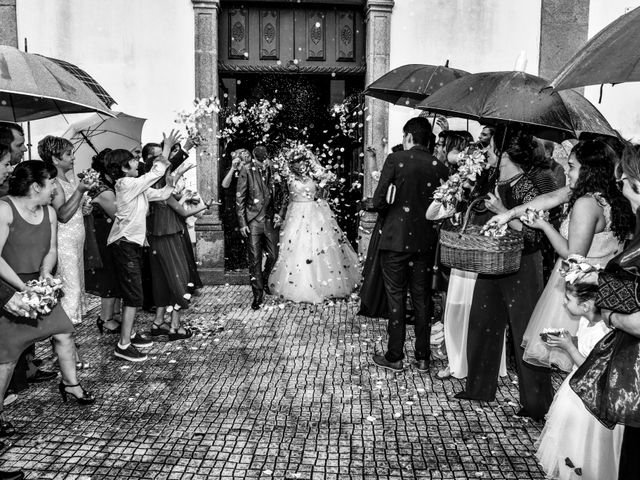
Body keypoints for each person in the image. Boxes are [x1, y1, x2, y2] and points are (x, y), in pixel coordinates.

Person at [456, 128, 553, 421]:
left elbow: (535, 238)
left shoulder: (529, 186)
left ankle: (536, 404)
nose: (486, 152)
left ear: (505, 155)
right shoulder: (490, 179)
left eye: (491, 148)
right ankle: (478, 387)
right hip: (492, 259)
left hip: (523, 265)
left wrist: (503, 211)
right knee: (482, 321)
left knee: (525, 330)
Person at [510, 141, 631, 372]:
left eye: (572, 166)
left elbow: (573, 255)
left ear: (588, 169)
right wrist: (509, 214)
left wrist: (544, 225)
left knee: (576, 354)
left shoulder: (586, 203)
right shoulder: (611, 196)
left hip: (581, 283)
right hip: (603, 280)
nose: (567, 171)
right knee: (593, 352)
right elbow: (550, 197)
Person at [0, 161, 96, 415]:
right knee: (7, 357)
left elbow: (51, 248)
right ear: (35, 185)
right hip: (9, 289)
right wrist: (23, 287)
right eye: (51, 182)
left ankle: (70, 384)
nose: (55, 187)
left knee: (64, 332)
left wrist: (44, 273)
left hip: (39, 284)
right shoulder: (4, 209)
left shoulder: (49, 213)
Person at [568, 144, 640, 480]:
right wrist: (601, 277)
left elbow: (572, 253)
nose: (621, 185)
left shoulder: (586, 203)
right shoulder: (624, 211)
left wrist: (609, 314)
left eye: (625, 180)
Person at [370, 117, 449, 373]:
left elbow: (379, 200)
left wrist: (391, 206)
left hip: (395, 239)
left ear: (407, 137)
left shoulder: (395, 160)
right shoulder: (440, 167)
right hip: (425, 242)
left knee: (396, 297)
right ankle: (423, 357)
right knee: (422, 298)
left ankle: (395, 355)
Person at [426, 138, 508, 380]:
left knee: (482, 315)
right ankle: (457, 361)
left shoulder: (493, 195)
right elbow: (431, 213)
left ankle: (482, 364)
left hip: (484, 261)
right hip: (461, 263)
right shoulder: (460, 197)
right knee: (455, 312)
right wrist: (453, 185)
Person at [535, 261, 623, 480]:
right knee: (568, 442)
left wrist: (569, 347)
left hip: (590, 400)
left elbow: (592, 369)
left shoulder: (603, 331)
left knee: (585, 445)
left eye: (567, 299)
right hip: (575, 391)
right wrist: (569, 339)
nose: (564, 304)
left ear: (585, 306)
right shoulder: (587, 321)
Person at [106, 130, 183, 362]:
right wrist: (167, 148)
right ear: (123, 168)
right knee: (134, 295)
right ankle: (123, 344)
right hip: (124, 244)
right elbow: (155, 172)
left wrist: (171, 184)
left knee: (131, 291)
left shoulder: (134, 185)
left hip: (131, 243)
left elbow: (158, 194)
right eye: (132, 160)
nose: (137, 162)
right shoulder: (126, 183)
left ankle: (129, 332)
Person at [269, 148, 360, 303]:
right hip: (296, 214)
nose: (300, 165)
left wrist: (325, 182)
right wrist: (280, 215)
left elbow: (329, 186)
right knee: (298, 247)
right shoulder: (287, 178)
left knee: (318, 247)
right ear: (292, 165)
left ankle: (323, 285)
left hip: (315, 214)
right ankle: (298, 285)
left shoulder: (314, 176)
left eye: (302, 161)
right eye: (296, 162)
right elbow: (285, 198)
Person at [38, 136, 95, 326]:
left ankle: (65, 341)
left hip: (76, 243)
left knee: (74, 289)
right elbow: (62, 215)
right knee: (71, 291)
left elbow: (71, 210)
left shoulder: (67, 179)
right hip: (63, 244)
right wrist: (79, 191)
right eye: (68, 154)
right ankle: (63, 342)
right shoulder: (54, 183)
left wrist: (83, 209)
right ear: (55, 159)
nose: (73, 158)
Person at [236, 146, 284, 310]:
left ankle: (263, 279)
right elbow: (240, 197)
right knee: (254, 258)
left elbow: (283, 193)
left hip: (270, 220)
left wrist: (280, 213)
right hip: (253, 220)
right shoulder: (246, 170)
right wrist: (242, 222)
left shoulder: (274, 169)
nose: (262, 165)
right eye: (259, 162)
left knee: (274, 255)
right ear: (254, 159)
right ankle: (257, 296)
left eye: (264, 162)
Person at [85, 149, 122, 334]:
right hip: (104, 235)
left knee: (114, 273)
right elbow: (118, 215)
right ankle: (105, 318)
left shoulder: (107, 185)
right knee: (108, 274)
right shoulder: (103, 190)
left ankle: (113, 313)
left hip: (108, 233)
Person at [221, 148, 251, 271]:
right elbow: (224, 185)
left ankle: (245, 261)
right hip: (232, 205)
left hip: (246, 205)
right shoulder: (232, 171)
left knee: (245, 233)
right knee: (233, 235)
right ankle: (234, 263)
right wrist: (234, 168)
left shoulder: (249, 171)